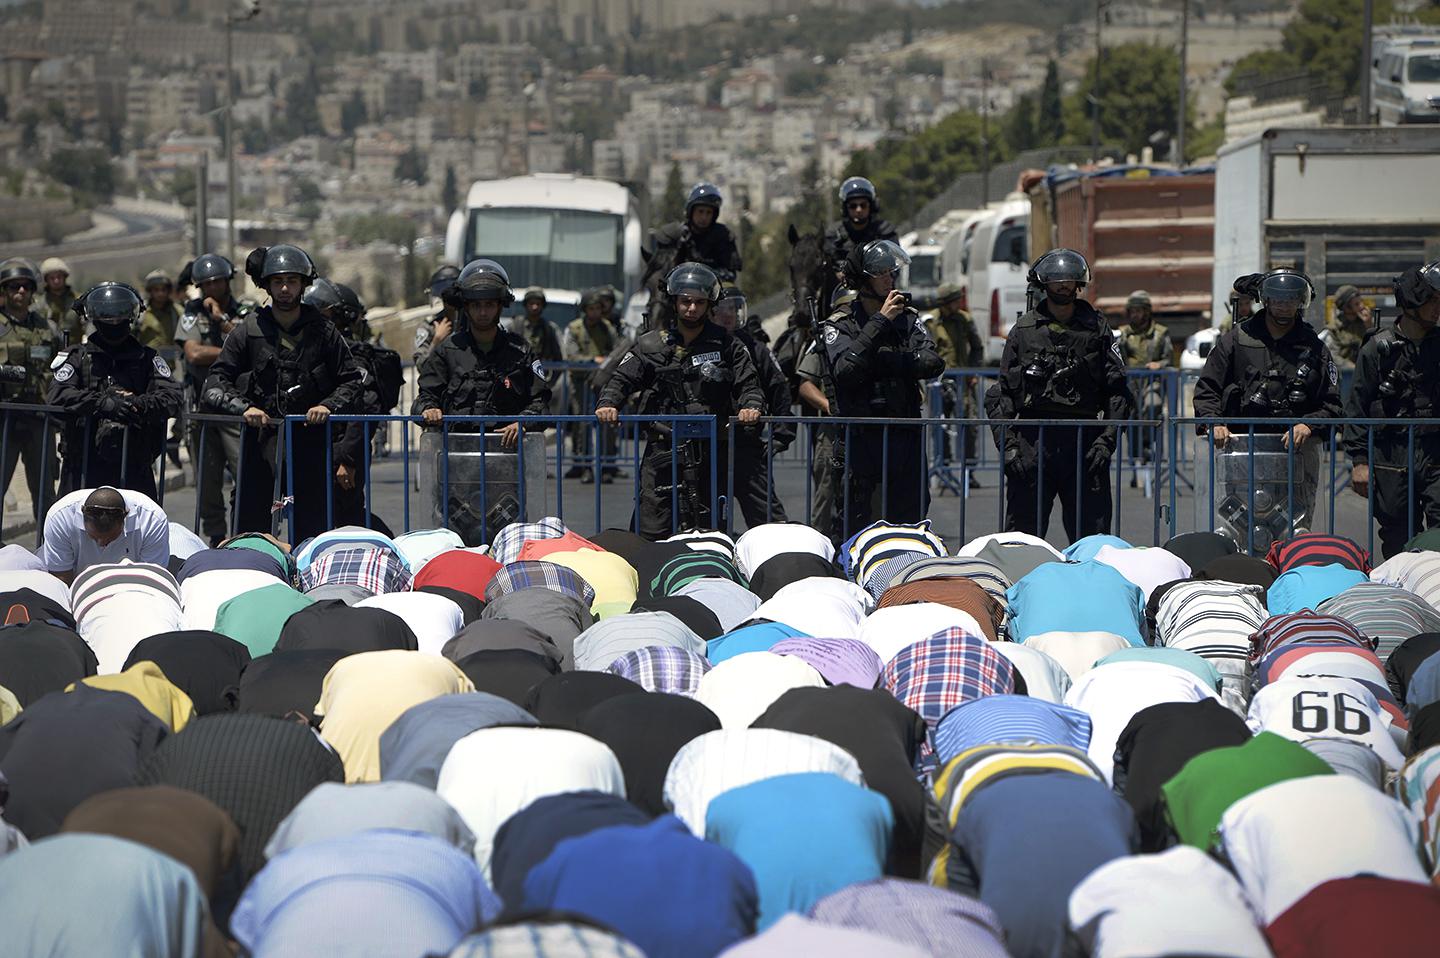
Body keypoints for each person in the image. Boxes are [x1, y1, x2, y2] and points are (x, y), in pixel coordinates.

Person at [203, 244, 363, 542]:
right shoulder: (249, 330)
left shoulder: (324, 331)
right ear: (267, 285)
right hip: (261, 441)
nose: (285, 288)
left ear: (304, 284)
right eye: (278, 281)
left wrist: (327, 406)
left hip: (310, 441)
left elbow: (352, 381)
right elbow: (214, 383)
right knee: (252, 527)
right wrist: (244, 408)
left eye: (292, 281)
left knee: (313, 528)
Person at [595, 262, 763, 539]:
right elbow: (620, 380)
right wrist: (608, 404)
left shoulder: (728, 346)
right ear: (674, 302)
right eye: (686, 301)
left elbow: (750, 385)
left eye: (699, 302)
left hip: (710, 453)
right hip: (663, 452)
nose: (692, 308)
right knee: (650, 532)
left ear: (709, 305)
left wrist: (750, 407)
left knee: (711, 534)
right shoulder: (651, 345)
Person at [984, 248, 1134, 541]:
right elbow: (1001, 395)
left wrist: (1107, 442)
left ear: (1079, 283)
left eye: (1070, 279)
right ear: (1044, 284)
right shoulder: (1024, 330)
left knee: (1092, 537)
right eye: (1056, 280)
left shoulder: (1097, 329)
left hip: (1083, 441)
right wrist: (1009, 444)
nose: (1064, 285)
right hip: (1033, 440)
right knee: (1021, 538)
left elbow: (1117, 393)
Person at [1193, 268, 1342, 544]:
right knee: (1237, 530)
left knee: (1295, 534)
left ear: (1301, 302)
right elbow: (1207, 390)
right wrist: (1214, 422)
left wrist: (1308, 424)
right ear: (1266, 301)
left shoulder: (1314, 347)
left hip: (1295, 457)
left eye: (1291, 300)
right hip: (1240, 453)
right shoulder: (1237, 340)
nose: (1284, 306)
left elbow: (1332, 403)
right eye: (1278, 300)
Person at [817, 240, 943, 539]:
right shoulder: (841, 324)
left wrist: (881, 361)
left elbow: (931, 361)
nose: (891, 278)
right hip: (862, 440)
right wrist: (880, 321)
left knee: (911, 522)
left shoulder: (909, 318)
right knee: (856, 526)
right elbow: (846, 371)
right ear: (863, 280)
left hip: (904, 434)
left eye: (891, 272)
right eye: (882, 273)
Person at [48, 282, 182, 499]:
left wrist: (136, 405)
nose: (114, 322)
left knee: (139, 531)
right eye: (107, 317)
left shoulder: (147, 358)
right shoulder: (76, 357)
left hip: (134, 467)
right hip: (83, 468)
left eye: (119, 316)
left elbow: (173, 396)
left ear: (130, 318)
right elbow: (57, 396)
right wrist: (104, 403)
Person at [1345, 262, 1440, 557]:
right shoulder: (1377, 349)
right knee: (1398, 538)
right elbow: (1358, 407)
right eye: (1433, 301)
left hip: (1435, 451)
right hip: (1391, 455)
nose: (1438, 309)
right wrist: (1360, 461)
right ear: (1414, 301)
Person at [303, 278, 400, 531]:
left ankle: (385, 547)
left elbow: (363, 411)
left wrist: (347, 460)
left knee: (346, 519)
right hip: (318, 448)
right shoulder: (318, 351)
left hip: (344, 451)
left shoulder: (354, 357)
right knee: (315, 517)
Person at [176, 252, 255, 546]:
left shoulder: (247, 309)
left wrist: (221, 321)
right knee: (207, 481)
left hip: (238, 406)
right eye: (206, 284)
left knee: (245, 474)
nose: (212, 289)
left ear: (228, 281)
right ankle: (216, 536)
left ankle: (245, 532)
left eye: (218, 282)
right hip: (203, 408)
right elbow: (193, 353)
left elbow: (252, 348)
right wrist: (232, 350)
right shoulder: (191, 313)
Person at [713, 285, 792, 525]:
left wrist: (781, 435)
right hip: (708, 447)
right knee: (706, 521)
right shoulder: (704, 346)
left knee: (769, 519)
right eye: (722, 308)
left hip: (747, 445)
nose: (729, 314)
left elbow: (780, 389)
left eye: (734, 308)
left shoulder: (756, 348)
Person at [0, 257, 60, 519]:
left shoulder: (47, 328)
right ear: (4, 291)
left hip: (38, 415)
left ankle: (47, 550)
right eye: (14, 286)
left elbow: (62, 367)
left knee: (45, 490)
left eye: (25, 286)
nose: (20, 291)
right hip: (5, 417)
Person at [39, 485, 170, 583]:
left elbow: (150, 581)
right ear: (82, 518)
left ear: (126, 518)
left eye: (110, 539)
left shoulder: (153, 520)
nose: (101, 544)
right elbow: (61, 580)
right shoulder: (60, 517)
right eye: (94, 538)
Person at [926, 282, 985, 481]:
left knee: (969, 425)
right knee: (940, 427)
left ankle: (969, 471)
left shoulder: (965, 320)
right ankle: (944, 468)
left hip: (963, 383)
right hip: (939, 382)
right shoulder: (930, 322)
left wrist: (973, 372)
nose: (957, 304)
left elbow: (977, 348)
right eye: (954, 301)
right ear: (944, 303)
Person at [562, 288, 620, 483]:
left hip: (603, 383)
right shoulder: (574, 328)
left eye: (598, 308)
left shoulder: (607, 328)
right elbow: (571, 356)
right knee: (582, 424)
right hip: (581, 383)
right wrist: (594, 360)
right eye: (591, 308)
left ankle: (607, 466)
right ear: (585, 309)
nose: (595, 312)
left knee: (607, 424)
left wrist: (604, 364)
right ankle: (583, 465)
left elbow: (616, 354)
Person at [1118, 290, 1174, 475]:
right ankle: (1136, 456)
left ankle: (1147, 444)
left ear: (1147, 311)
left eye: (1139, 311)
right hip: (1132, 383)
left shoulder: (1160, 333)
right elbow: (1119, 360)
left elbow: (1169, 359)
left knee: (1152, 405)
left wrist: (1159, 364)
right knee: (1132, 416)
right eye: (1132, 311)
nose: (1136, 315)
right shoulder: (1124, 335)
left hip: (1152, 382)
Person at [647, 183, 743, 283]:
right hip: (679, 291)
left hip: (713, 292)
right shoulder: (676, 235)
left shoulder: (723, 236)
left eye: (708, 213)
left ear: (714, 215)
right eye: (700, 211)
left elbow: (731, 274)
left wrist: (712, 276)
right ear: (691, 211)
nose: (704, 217)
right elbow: (660, 271)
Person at [822, 177, 899, 270]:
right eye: (853, 206)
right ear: (845, 208)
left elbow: (895, 267)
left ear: (872, 206)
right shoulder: (833, 235)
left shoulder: (884, 232)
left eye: (863, 205)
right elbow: (825, 268)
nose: (858, 210)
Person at [415, 264, 460, 368]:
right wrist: (437, 341)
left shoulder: (473, 322)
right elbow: (421, 366)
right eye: (447, 298)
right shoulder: (430, 326)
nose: (451, 303)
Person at [1322, 284, 1372, 370]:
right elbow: (1332, 356)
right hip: (1345, 376)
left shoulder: (1366, 323)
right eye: (1357, 304)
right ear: (1346, 308)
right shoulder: (1334, 329)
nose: (1362, 306)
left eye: (1361, 302)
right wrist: (1352, 367)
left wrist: (1369, 326)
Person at [39, 257, 80, 346]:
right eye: (52, 278)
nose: (56, 281)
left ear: (64, 277)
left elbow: (88, 324)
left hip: (75, 351)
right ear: (46, 280)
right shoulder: (38, 304)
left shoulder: (78, 301)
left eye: (59, 277)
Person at [515, 287, 563, 363]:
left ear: (543, 306)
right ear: (526, 305)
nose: (535, 307)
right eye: (531, 303)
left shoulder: (549, 329)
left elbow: (558, 359)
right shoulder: (515, 326)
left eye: (538, 304)